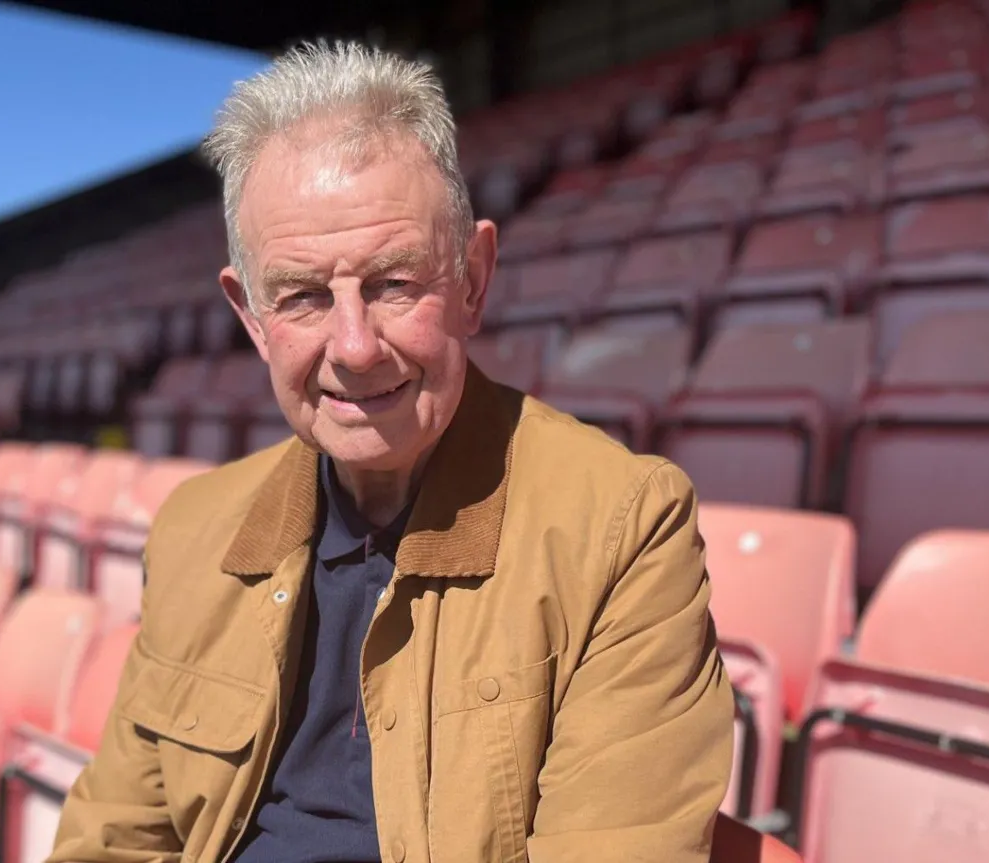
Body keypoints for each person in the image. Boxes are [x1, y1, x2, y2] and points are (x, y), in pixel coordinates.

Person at [49, 40, 734, 863]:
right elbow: (115, 837)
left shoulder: (623, 529)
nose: (355, 345)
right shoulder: (194, 530)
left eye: (394, 283)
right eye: (303, 295)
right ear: (252, 320)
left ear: (474, 279)